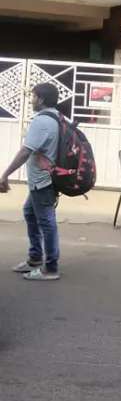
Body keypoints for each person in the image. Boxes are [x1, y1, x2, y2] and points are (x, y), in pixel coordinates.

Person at [0, 82, 61, 281]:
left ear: (41, 99)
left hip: (43, 181)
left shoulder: (42, 121)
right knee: (30, 213)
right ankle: (35, 259)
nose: (31, 100)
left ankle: (50, 268)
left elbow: (25, 151)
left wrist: (5, 174)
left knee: (47, 222)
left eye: (33, 96)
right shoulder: (57, 117)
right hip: (43, 180)